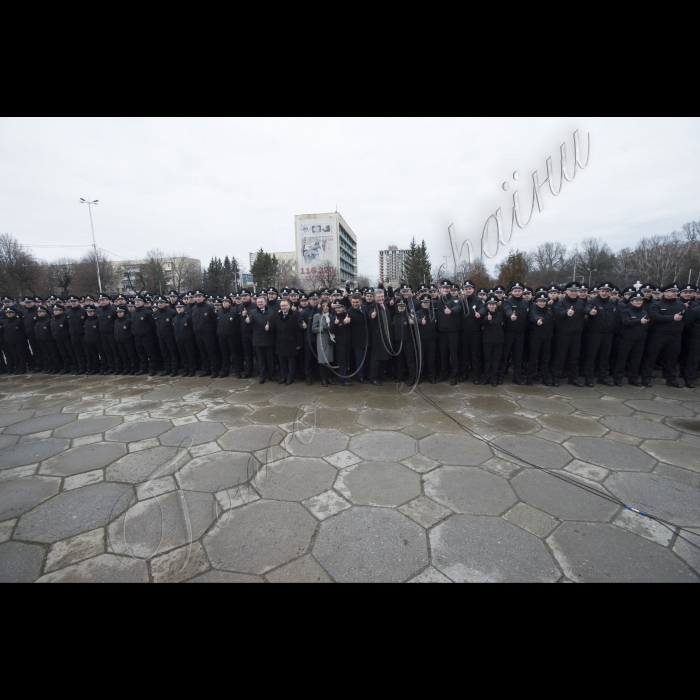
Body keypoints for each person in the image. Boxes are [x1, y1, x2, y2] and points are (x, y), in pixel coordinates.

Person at [642, 283, 687, 388]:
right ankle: (646, 378)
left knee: (672, 358)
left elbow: (685, 319)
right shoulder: (657, 305)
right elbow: (655, 317)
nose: (676, 293)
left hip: (675, 335)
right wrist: (672, 318)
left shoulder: (680, 305)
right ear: (665, 293)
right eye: (673, 291)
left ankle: (671, 379)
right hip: (659, 334)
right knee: (651, 356)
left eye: (676, 292)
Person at [552, 283, 586, 388]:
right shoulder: (561, 303)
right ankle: (556, 378)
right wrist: (566, 312)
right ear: (567, 291)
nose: (574, 293)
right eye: (572, 291)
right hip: (564, 334)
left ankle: (573, 378)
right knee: (560, 357)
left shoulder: (581, 303)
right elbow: (557, 313)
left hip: (576, 334)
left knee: (574, 358)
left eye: (576, 291)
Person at [583, 282, 617, 388]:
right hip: (595, 333)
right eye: (602, 291)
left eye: (606, 291)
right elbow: (586, 309)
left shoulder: (612, 303)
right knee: (591, 357)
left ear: (610, 292)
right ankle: (588, 378)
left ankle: (602, 378)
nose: (604, 293)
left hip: (608, 334)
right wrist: (590, 312)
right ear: (599, 292)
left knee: (604, 357)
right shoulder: (593, 301)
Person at [614, 292, 649, 387]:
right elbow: (626, 322)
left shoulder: (644, 312)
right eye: (636, 300)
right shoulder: (626, 311)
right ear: (631, 301)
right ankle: (618, 378)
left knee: (636, 360)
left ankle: (633, 378)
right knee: (622, 359)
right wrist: (639, 321)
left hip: (640, 340)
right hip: (627, 339)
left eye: (640, 300)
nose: (638, 302)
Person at [499, 282, 530, 386]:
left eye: (519, 291)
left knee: (518, 356)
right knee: (505, 355)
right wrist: (511, 316)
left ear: (522, 291)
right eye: (515, 291)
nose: (517, 293)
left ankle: (517, 377)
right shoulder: (507, 302)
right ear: (512, 292)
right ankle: (501, 377)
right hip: (509, 332)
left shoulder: (526, 303)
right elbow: (507, 310)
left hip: (520, 333)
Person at [272, 299, 302, 386]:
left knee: (291, 362)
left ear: (289, 306)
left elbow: (298, 331)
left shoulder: (295, 315)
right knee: (282, 362)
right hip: (280, 343)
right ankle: (284, 377)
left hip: (291, 343)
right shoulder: (277, 316)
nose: (283, 307)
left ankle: (290, 378)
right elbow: (274, 330)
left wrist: (299, 344)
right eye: (282, 306)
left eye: (285, 305)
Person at [246, 295, 276, 384]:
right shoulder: (252, 312)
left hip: (269, 340)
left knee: (270, 359)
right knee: (261, 360)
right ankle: (262, 376)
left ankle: (271, 376)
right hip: (258, 340)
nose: (259, 303)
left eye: (261, 302)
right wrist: (247, 321)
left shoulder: (271, 312)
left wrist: (269, 327)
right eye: (258, 302)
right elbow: (250, 321)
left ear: (265, 303)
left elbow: (275, 325)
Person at [191, 291, 220, 378]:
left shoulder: (209, 308)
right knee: (203, 353)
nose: (198, 298)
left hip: (208, 334)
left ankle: (214, 370)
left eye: (200, 296)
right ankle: (206, 370)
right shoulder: (194, 308)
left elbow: (214, 322)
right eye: (196, 296)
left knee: (211, 352)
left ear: (203, 297)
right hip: (198, 334)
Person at [527, 293, 553, 386]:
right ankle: (530, 377)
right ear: (536, 302)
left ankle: (545, 378)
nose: (542, 303)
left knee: (545, 359)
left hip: (547, 339)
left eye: (544, 301)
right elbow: (533, 317)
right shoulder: (534, 311)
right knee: (533, 358)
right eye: (540, 302)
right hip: (536, 338)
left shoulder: (549, 311)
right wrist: (537, 321)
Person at [393, 300, 418, 386]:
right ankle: (400, 376)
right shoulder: (395, 317)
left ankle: (412, 378)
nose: (401, 308)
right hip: (397, 343)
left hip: (408, 342)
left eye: (403, 306)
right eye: (399, 306)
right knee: (399, 361)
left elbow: (415, 321)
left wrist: (413, 322)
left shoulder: (409, 316)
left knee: (410, 361)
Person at [154, 296, 180, 377]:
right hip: (161, 336)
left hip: (170, 336)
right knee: (164, 353)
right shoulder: (156, 313)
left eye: (161, 303)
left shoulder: (171, 312)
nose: (160, 304)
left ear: (166, 303)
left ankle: (174, 369)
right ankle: (167, 369)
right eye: (158, 303)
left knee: (172, 353)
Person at [481, 298, 505, 387]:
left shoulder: (501, 315)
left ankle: (494, 379)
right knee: (488, 361)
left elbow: (504, 326)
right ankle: (486, 378)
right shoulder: (484, 315)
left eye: (493, 304)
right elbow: (481, 323)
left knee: (496, 361)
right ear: (487, 305)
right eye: (490, 304)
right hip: (488, 341)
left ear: (496, 305)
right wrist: (487, 319)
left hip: (498, 341)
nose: (491, 306)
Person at [217, 297, 242, 379]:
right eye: (223, 302)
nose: (224, 303)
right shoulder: (219, 312)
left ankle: (237, 372)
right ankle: (225, 371)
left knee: (235, 355)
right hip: (222, 337)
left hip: (232, 337)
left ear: (230, 303)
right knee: (225, 355)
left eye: (226, 302)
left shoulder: (234, 312)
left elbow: (238, 324)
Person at [312, 300, 335, 388]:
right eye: (324, 306)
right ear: (321, 306)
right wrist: (322, 328)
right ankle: (323, 379)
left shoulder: (331, 316)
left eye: (327, 306)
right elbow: (313, 329)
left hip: (330, 339)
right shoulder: (317, 316)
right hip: (322, 340)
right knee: (322, 360)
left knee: (329, 360)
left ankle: (328, 377)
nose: (325, 307)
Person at [331, 302, 353, 387]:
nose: (337, 309)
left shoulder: (346, 315)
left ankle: (345, 376)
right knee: (342, 361)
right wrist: (339, 324)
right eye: (336, 308)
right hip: (340, 343)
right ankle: (342, 379)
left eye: (339, 307)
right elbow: (332, 330)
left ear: (343, 308)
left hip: (348, 342)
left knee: (347, 361)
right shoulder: (334, 317)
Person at [50, 305, 75, 375]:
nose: (55, 312)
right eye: (54, 310)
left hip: (66, 339)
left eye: (57, 310)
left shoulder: (65, 318)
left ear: (61, 310)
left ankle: (75, 367)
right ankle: (66, 368)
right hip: (58, 339)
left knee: (71, 353)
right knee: (64, 354)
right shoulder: (53, 319)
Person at [3, 307, 28, 374]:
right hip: (10, 341)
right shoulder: (5, 322)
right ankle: (17, 368)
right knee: (14, 355)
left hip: (19, 341)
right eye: (7, 313)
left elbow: (23, 331)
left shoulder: (19, 321)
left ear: (14, 313)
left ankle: (23, 368)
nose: (8, 314)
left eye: (10, 313)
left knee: (20, 355)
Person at [114, 307, 138, 375]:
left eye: (121, 312)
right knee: (123, 355)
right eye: (118, 312)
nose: (119, 314)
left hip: (128, 341)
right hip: (120, 341)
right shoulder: (116, 321)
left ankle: (134, 368)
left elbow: (131, 331)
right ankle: (127, 368)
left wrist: (128, 337)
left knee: (131, 355)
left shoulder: (128, 320)